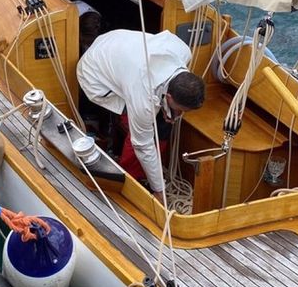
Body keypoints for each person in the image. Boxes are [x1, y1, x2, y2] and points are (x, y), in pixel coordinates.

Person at [77, 29, 205, 197]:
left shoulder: (182, 51)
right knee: (153, 131)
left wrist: (170, 109)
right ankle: (132, 178)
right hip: (95, 75)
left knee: (157, 123)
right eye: (181, 109)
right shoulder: (143, 97)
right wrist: (159, 190)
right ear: (169, 96)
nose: (180, 114)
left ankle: (144, 171)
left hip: (113, 43)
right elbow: (143, 144)